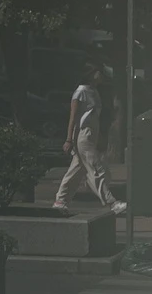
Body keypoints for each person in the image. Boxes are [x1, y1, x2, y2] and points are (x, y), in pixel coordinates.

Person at [53, 62, 128, 216]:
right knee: (97, 169)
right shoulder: (80, 92)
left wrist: (98, 136)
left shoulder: (94, 91)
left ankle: (60, 201)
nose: (101, 75)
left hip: (90, 136)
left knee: (76, 171)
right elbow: (73, 117)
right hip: (82, 137)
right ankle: (112, 203)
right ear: (91, 74)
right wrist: (68, 139)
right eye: (98, 72)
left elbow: (95, 118)